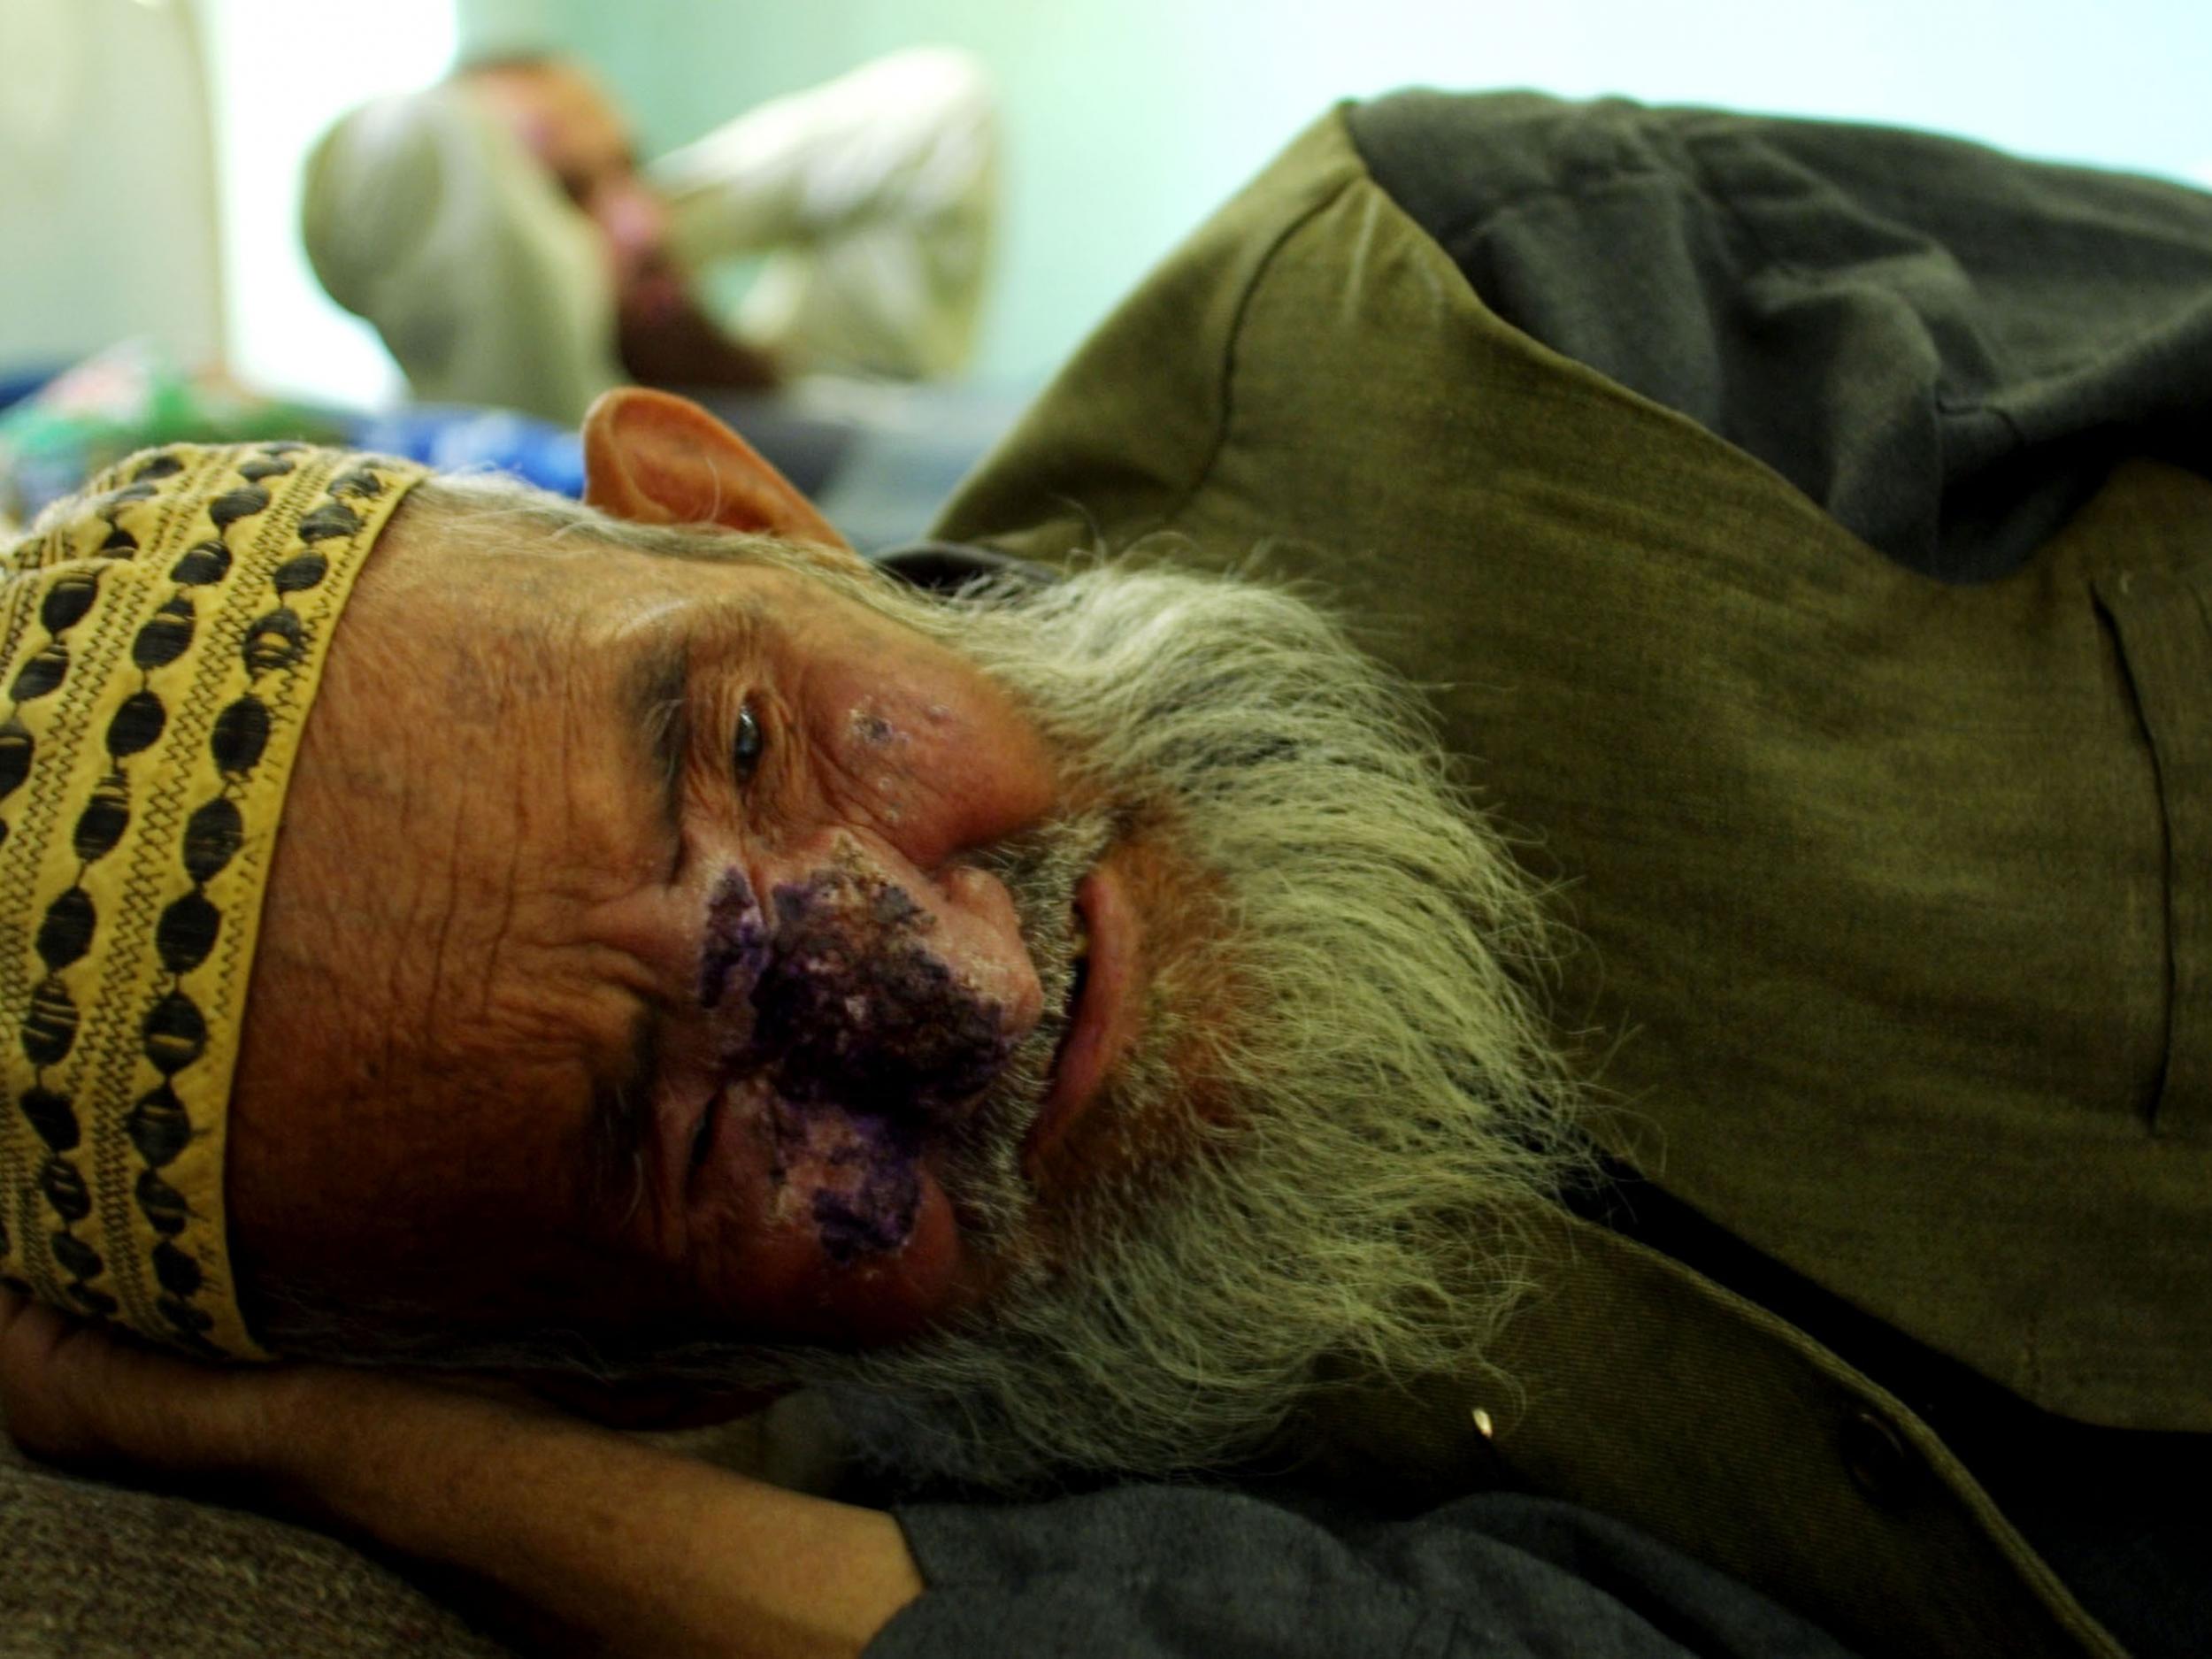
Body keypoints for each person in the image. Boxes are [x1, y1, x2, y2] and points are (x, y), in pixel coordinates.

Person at [4, 88, 2210, 1659]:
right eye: (677, 1133)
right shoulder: (1018, 1497)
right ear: (649, 1369)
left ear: (747, 509)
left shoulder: (1454, 295)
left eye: (757, 746)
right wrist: (344, 1446)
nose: (954, 987)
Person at [302, 47, 998, 420]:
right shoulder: (514, 481)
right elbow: (399, 145)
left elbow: (939, 114)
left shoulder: (812, 377)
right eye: (562, 195)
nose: (644, 223)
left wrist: (648, 227)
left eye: (633, 170)